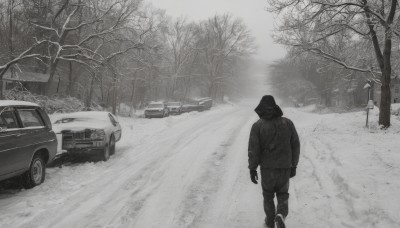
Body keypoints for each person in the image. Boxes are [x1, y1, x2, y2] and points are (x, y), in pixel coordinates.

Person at [248, 95, 300, 228]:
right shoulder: (287, 123)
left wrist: (252, 168)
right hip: (284, 167)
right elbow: (295, 145)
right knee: (283, 193)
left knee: (268, 195)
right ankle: (281, 214)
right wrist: (294, 165)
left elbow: (254, 149)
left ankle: (270, 221)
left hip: (267, 169)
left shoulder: (258, 126)